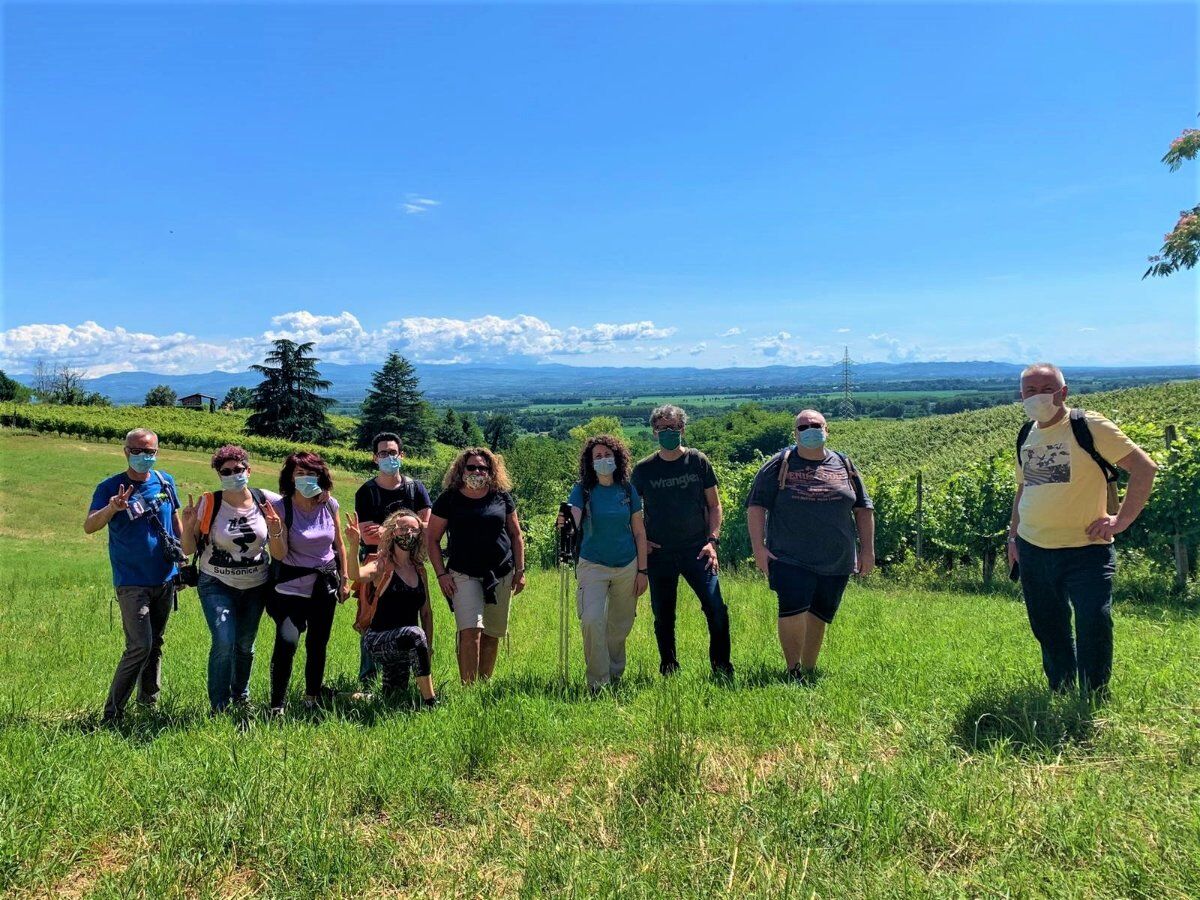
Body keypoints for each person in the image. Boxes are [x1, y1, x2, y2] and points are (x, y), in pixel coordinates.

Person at [1008, 363, 1157, 697]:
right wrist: (1013, 536)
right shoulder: (1026, 433)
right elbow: (1024, 490)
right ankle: (1061, 688)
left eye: (1046, 388)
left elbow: (1144, 468)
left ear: (1063, 392)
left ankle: (1093, 695)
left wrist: (1122, 521)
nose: (1038, 396)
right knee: (1048, 626)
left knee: (1094, 621)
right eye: (1030, 390)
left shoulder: (1087, 426)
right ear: (1021, 396)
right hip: (1033, 548)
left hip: (1086, 549)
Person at [746, 409, 875, 679]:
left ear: (827, 430)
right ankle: (793, 670)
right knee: (793, 608)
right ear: (795, 434)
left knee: (819, 614)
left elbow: (863, 508)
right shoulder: (778, 464)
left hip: (836, 558)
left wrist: (867, 550)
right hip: (789, 556)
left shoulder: (844, 464)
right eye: (803, 427)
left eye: (815, 425)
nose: (810, 430)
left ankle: (809, 669)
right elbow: (756, 506)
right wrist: (759, 549)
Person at [85, 428, 184, 724]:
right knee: (139, 645)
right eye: (138, 451)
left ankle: (148, 705)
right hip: (131, 581)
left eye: (150, 451)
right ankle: (112, 713)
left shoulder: (165, 481)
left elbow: (175, 522)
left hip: (165, 578)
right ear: (126, 451)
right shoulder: (110, 486)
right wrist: (112, 509)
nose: (145, 456)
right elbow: (90, 526)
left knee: (156, 644)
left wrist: (183, 561)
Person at [180, 445, 287, 713]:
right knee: (224, 641)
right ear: (219, 474)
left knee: (245, 645)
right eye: (225, 471)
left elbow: (296, 508)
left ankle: (241, 697)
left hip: (256, 585)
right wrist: (189, 523)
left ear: (248, 471)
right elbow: (188, 549)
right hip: (216, 583)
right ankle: (219, 705)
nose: (232, 475)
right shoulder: (210, 502)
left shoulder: (267, 501)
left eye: (238, 470)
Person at [630, 405, 732, 679]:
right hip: (659, 553)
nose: (669, 432)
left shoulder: (698, 461)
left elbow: (715, 505)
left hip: (698, 550)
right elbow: (630, 510)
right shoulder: (644, 469)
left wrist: (713, 541)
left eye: (674, 427)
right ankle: (669, 669)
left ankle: (722, 670)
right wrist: (641, 543)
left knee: (716, 608)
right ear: (654, 432)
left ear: (683, 429)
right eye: (663, 428)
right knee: (664, 616)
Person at [426, 447, 526, 683]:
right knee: (470, 632)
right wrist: (441, 574)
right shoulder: (449, 498)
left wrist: (520, 571)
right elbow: (431, 539)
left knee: (492, 634)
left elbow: (516, 535)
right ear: (461, 470)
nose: (478, 471)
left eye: (483, 467)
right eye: (472, 467)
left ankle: (483, 684)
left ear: (492, 471)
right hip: (463, 574)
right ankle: (468, 689)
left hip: (501, 572)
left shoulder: (501, 496)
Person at [265, 452, 350, 715]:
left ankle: (312, 698)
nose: (304, 478)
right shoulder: (281, 508)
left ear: (320, 476)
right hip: (291, 586)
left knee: (318, 643)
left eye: (310, 473)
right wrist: (276, 529)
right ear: (290, 477)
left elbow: (338, 545)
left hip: (325, 585)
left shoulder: (330, 504)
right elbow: (278, 555)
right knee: (287, 641)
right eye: (299, 473)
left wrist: (345, 578)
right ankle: (277, 705)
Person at [565, 435, 649, 692]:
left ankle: (615, 675)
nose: (603, 460)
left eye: (607, 455)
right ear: (590, 463)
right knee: (591, 621)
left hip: (627, 564)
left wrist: (643, 570)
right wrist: (567, 522)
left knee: (619, 625)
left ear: (618, 458)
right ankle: (597, 683)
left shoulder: (627, 489)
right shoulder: (583, 490)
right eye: (597, 456)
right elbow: (574, 517)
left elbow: (639, 532)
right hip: (593, 565)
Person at [353, 432, 432, 687]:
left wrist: (385, 531)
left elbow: (427, 529)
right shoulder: (366, 492)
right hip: (375, 562)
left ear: (402, 455)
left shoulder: (415, 488)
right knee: (372, 613)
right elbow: (367, 536)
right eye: (383, 453)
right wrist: (401, 530)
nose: (389, 457)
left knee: (410, 613)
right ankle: (368, 679)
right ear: (375, 458)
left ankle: (409, 674)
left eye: (393, 452)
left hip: (411, 562)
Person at [345, 508, 437, 706]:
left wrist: (427, 647)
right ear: (392, 532)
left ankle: (336, 695)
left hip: (406, 644)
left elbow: (427, 613)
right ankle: (430, 702)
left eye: (413, 530)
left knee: (392, 698)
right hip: (378, 639)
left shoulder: (420, 570)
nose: (408, 534)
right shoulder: (382, 565)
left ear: (420, 535)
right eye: (402, 528)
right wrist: (353, 546)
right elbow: (356, 575)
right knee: (415, 633)